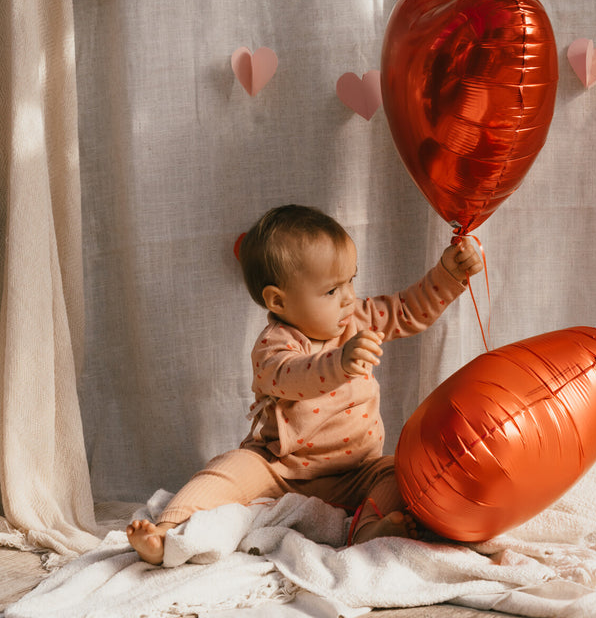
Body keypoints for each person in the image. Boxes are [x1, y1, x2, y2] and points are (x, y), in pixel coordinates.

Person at [127, 204, 483, 563]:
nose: (347, 297)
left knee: (398, 472)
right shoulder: (273, 344)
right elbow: (295, 375)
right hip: (280, 468)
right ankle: (166, 531)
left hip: (355, 469)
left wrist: (448, 275)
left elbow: (407, 310)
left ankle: (369, 529)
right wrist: (340, 362)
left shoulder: (357, 318)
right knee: (225, 469)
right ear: (278, 300)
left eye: (351, 280)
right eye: (331, 291)